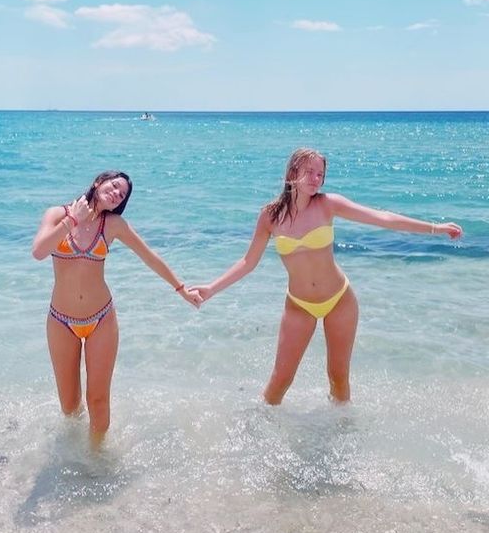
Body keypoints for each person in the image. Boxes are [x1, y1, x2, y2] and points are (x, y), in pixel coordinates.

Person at [188, 148, 462, 404]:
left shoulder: (328, 205)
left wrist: (435, 228)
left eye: (320, 174)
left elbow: (383, 218)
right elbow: (248, 261)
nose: (316, 179)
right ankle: (258, 435)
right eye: (310, 172)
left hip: (339, 300)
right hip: (299, 305)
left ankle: (341, 433)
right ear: (292, 173)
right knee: (280, 381)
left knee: (338, 378)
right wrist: (211, 289)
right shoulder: (270, 216)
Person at [32, 170, 200, 444]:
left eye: (122, 194)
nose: (116, 193)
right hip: (61, 321)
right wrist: (72, 220)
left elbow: (149, 256)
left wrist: (181, 289)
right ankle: (74, 454)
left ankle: (97, 461)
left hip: (101, 320)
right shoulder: (57, 214)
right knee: (70, 406)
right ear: (99, 182)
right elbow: (38, 251)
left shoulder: (114, 225)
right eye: (114, 186)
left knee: (98, 400)